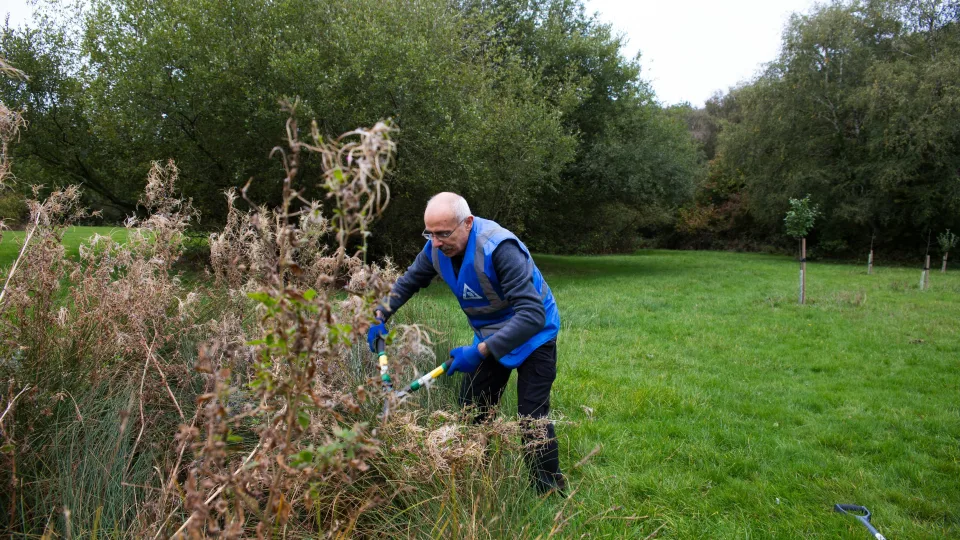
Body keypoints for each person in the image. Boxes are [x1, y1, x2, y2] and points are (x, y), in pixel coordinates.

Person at [367, 192, 565, 495]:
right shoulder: (435, 249)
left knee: (531, 418)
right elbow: (409, 281)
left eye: (443, 233)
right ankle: (478, 477)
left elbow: (532, 315)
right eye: (429, 233)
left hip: (534, 335)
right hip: (489, 335)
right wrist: (381, 314)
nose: (435, 242)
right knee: (471, 409)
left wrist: (480, 352)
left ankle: (550, 491)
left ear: (468, 223)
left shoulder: (500, 249)